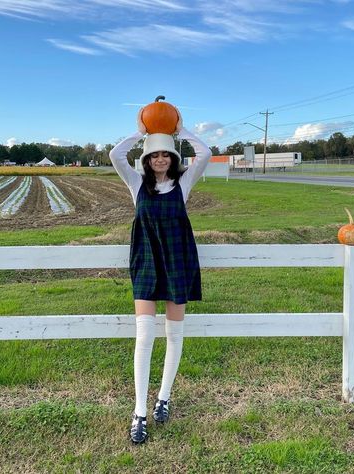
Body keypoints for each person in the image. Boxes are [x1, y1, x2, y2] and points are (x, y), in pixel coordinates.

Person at [109, 108, 211, 444]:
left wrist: (181, 130)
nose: (161, 159)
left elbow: (206, 153)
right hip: (146, 262)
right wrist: (142, 132)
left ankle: (163, 398)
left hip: (178, 261)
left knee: (174, 335)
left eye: (167, 154)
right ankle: (139, 412)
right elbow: (115, 154)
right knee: (144, 337)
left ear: (173, 158)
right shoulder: (135, 183)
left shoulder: (184, 184)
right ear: (147, 159)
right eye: (155, 155)